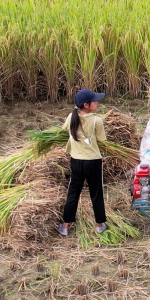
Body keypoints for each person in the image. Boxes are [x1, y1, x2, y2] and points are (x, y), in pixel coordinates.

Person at [58, 89, 108, 235]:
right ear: (86, 105)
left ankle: (65, 226)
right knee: (96, 193)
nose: (96, 103)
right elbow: (101, 139)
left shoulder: (71, 117)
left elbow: (63, 131)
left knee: (73, 192)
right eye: (94, 101)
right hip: (93, 162)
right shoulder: (96, 120)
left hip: (76, 162)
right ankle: (99, 225)